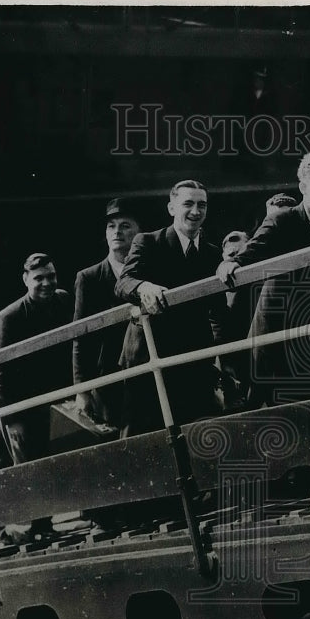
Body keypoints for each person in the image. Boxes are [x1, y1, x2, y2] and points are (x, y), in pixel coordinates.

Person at [216, 153, 310, 405]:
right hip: (275, 326)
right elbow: (252, 250)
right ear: (303, 188)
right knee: (265, 401)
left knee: (304, 402)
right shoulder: (282, 219)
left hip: (309, 327)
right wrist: (231, 262)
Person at [115, 180, 224, 434]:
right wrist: (143, 287)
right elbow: (123, 282)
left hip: (193, 361)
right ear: (171, 208)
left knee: (194, 436)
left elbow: (217, 312)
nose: (195, 211)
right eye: (188, 204)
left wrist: (219, 359)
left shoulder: (211, 254)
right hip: (149, 359)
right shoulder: (149, 242)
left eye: (202, 205)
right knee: (142, 438)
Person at [0, 253, 74, 464]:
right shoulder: (9, 317)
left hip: (63, 404)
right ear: (25, 279)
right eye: (39, 278)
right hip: (25, 413)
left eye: (51, 276)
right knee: (33, 474)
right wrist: (12, 420)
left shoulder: (64, 300)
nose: (47, 283)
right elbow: (0, 374)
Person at [72, 198, 142, 428]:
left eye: (125, 225)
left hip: (145, 372)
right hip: (108, 378)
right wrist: (82, 389)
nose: (117, 232)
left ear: (139, 231)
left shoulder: (149, 271)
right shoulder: (89, 278)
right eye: (111, 226)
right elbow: (80, 336)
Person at [217, 229, 253, 409]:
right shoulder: (217, 287)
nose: (234, 260)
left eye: (240, 254)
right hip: (231, 359)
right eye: (231, 255)